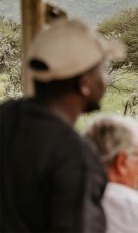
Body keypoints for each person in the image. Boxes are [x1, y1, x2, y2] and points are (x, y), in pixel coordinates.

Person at [0, 19, 126, 232]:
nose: (105, 81)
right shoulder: (74, 157)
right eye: (101, 70)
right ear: (84, 84)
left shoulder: (6, 114)